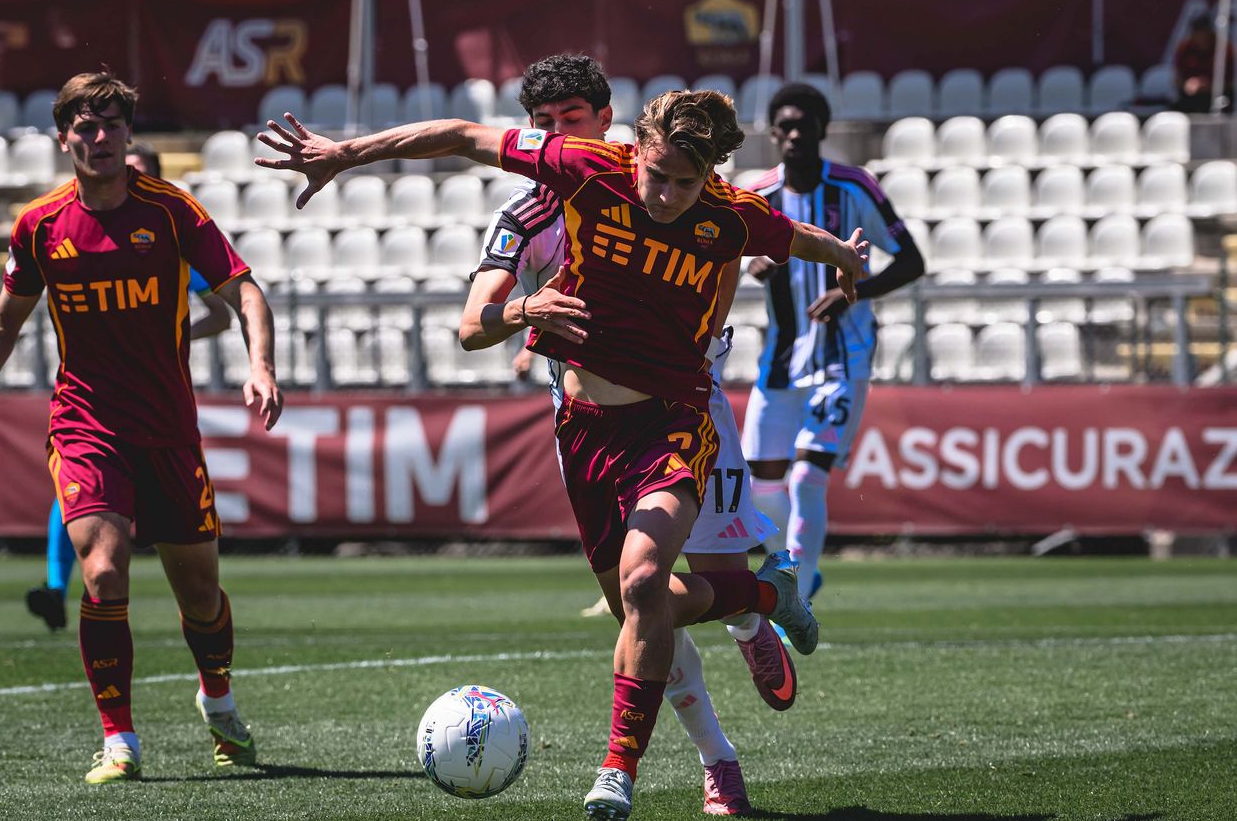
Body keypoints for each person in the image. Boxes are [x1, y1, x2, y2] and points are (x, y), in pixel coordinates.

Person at [256, 87, 866, 821]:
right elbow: (457, 136)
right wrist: (349, 153)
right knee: (639, 609)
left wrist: (839, 256)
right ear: (633, 151)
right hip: (581, 429)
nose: (668, 195)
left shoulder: (728, 215)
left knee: (645, 585)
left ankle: (619, 772)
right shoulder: (577, 173)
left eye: (685, 182)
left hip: (674, 421)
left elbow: (792, 237)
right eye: (658, 175)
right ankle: (765, 597)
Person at [458, 54, 795, 816]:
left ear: (605, 124)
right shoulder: (525, 214)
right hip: (589, 421)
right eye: (539, 126)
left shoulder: (669, 187)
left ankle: (749, 607)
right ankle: (721, 742)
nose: (550, 138)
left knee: (671, 581)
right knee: (641, 606)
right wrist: (524, 316)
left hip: (688, 407)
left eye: (566, 123)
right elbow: (473, 321)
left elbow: (739, 246)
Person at [0, 72, 283, 784]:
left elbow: (246, 291)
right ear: (63, 137)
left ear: (128, 134)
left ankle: (219, 700)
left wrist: (259, 365)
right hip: (85, 423)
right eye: (85, 127)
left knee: (198, 592)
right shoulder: (40, 223)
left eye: (111, 126)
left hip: (169, 430)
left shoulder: (171, 212)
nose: (99, 138)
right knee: (104, 573)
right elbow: (7, 313)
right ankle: (120, 740)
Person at [25, 142, 234, 632]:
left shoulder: (173, 234)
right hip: (93, 404)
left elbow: (221, 312)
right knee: (79, 499)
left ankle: (210, 668)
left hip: (158, 404)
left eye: (139, 170)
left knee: (197, 585)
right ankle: (57, 587)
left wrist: (174, 334)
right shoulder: (74, 231)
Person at [742, 83, 925, 607]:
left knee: (807, 477)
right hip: (779, 362)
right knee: (764, 485)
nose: (796, 133)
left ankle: (802, 577)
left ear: (823, 129)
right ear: (774, 132)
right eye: (786, 125)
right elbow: (730, 259)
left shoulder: (854, 187)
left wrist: (855, 292)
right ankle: (782, 571)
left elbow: (911, 260)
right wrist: (753, 261)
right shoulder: (758, 196)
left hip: (842, 357)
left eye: (806, 124)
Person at [1173, 14, 1235, 113]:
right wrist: (1187, 84)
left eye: (1204, 34)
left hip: (1219, 95)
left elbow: (1232, 82)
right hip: (1191, 96)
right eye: (1197, 34)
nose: (1201, 39)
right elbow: (1177, 79)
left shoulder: (1225, 49)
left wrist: (1210, 86)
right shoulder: (1184, 48)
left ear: (1210, 32)